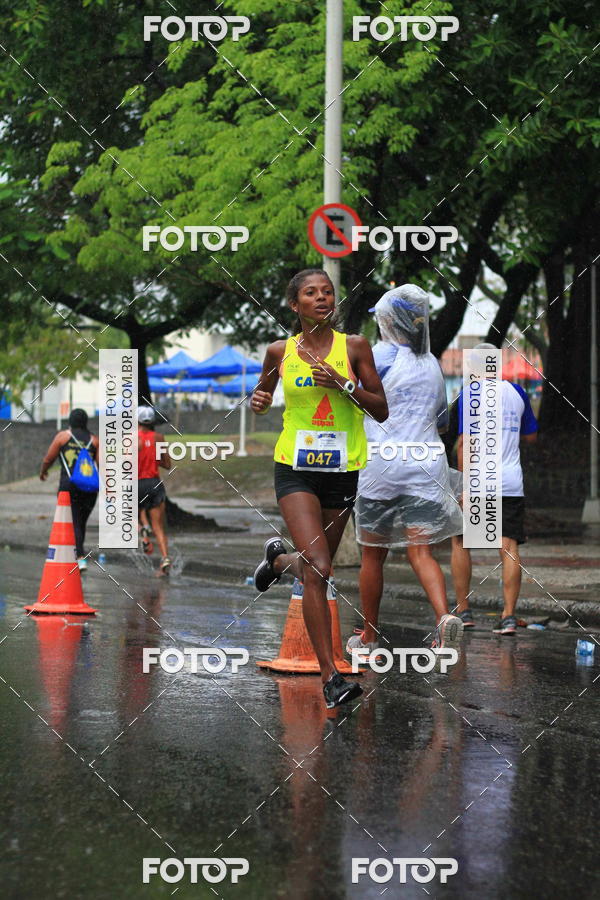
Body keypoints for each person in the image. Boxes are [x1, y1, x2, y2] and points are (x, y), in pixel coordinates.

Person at [251, 268, 388, 708]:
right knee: (321, 565)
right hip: (295, 467)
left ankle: (278, 561)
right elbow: (261, 397)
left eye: (327, 292)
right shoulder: (279, 351)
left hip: (342, 469)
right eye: (311, 293)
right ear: (295, 305)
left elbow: (381, 409)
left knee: (314, 569)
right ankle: (331, 677)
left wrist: (344, 385)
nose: (322, 298)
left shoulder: (356, 346)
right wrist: (258, 401)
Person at [348, 285, 464, 662]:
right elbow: (442, 421)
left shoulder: (377, 355)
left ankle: (369, 636)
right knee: (421, 552)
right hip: (426, 463)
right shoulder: (431, 364)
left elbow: (353, 400)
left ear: (387, 320)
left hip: (381, 463)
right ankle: (444, 618)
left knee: (372, 556)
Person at [451, 343, 538, 635]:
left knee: (462, 542)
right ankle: (508, 616)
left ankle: (464, 611)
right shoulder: (517, 392)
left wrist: (463, 486)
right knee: (508, 547)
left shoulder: (470, 394)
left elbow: (465, 443)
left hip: (478, 481)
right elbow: (531, 436)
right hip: (510, 481)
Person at [40, 408, 100, 572]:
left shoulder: (63, 437)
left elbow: (48, 459)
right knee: (80, 522)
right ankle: (77, 555)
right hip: (89, 488)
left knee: (74, 521)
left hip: (69, 487)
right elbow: (102, 465)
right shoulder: (95, 440)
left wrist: (43, 471)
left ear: (70, 421)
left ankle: (80, 557)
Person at [137, 406, 172, 575]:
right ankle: (165, 559)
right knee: (158, 526)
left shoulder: (131, 438)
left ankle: (143, 533)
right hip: (155, 483)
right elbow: (167, 464)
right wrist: (153, 459)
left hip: (137, 483)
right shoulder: (159, 438)